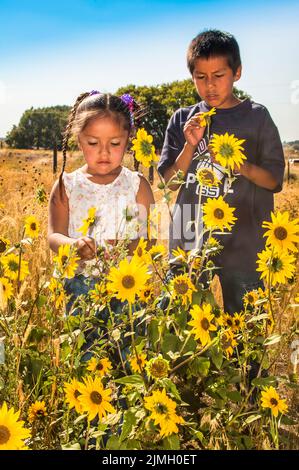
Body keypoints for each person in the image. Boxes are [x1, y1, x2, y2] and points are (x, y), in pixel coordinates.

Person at [158, 29, 285, 315]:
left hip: (243, 242)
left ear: (237, 72)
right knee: (179, 327)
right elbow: (168, 184)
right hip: (188, 242)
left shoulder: (256, 117)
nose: (210, 85)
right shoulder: (182, 119)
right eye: (200, 77)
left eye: (219, 75)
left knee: (245, 332)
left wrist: (240, 165)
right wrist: (190, 146)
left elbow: (275, 180)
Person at [48, 91, 155, 358]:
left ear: (129, 140)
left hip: (128, 287)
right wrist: (74, 244)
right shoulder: (67, 186)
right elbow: (53, 236)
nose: (104, 152)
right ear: (79, 140)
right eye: (93, 142)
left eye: (115, 143)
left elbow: (150, 238)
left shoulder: (137, 185)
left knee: (129, 357)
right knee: (85, 357)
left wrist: (128, 246)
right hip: (80, 287)